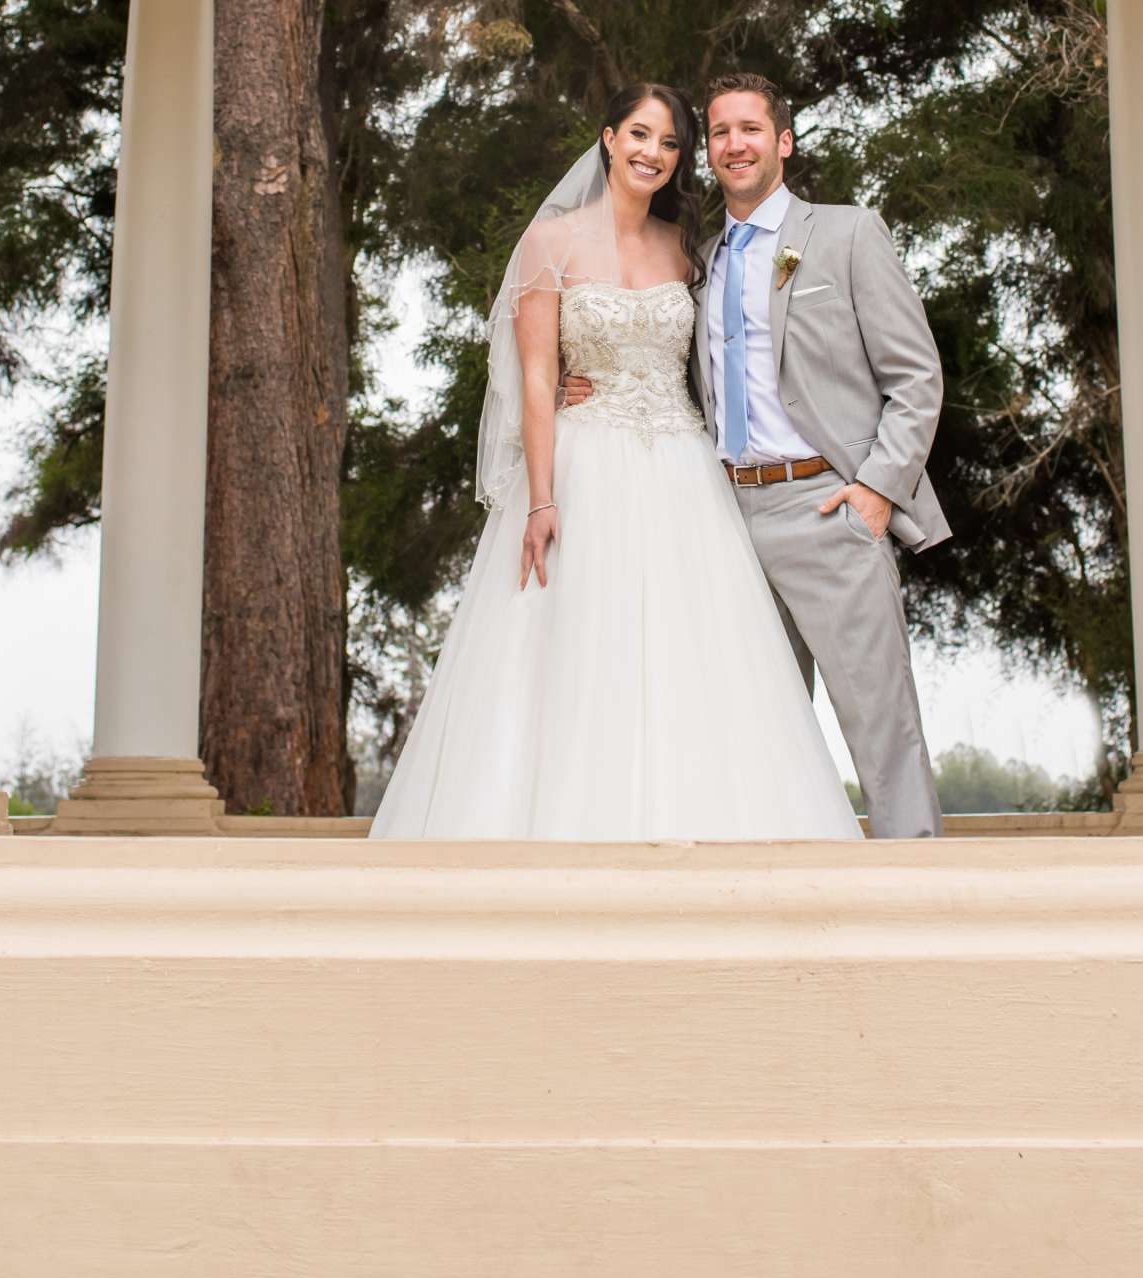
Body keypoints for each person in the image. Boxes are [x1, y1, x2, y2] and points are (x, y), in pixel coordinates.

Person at [368, 82, 860, 842]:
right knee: (570, 650)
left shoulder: (684, 250)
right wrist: (539, 498)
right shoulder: (552, 242)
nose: (652, 154)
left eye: (668, 144)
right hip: (582, 467)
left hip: (682, 472)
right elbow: (535, 376)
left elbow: (712, 357)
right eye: (639, 135)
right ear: (607, 137)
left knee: (693, 655)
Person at [568, 73, 949, 838]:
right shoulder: (698, 260)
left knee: (880, 722)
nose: (733, 144)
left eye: (749, 129)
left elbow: (916, 377)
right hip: (723, 523)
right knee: (753, 735)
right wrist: (579, 385)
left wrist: (877, 488)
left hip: (825, 508)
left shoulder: (845, 234)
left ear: (783, 141)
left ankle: (920, 895)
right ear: (707, 151)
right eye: (718, 132)